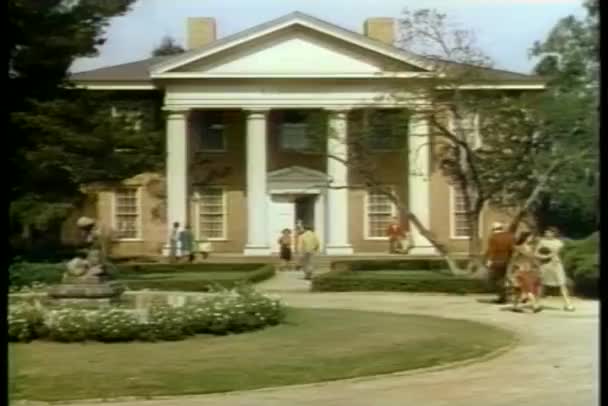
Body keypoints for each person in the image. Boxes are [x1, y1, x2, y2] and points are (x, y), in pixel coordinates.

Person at [535, 227, 575, 311]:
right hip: (545, 265)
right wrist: (545, 256)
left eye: (548, 232)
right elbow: (536, 254)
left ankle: (568, 304)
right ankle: (537, 304)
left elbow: (564, 254)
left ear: (553, 233)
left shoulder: (559, 243)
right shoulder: (542, 242)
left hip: (556, 265)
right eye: (546, 232)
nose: (546, 233)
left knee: (562, 284)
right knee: (542, 285)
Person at [508, 231, 542, 313]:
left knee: (519, 291)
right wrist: (510, 272)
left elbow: (534, 260)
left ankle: (515, 306)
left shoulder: (531, 248)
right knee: (528, 289)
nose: (531, 239)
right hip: (521, 271)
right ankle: (535, 306)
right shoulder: (518, 248)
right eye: (530, 237)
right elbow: (512, 260)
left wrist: (538, 267)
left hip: (530, 271)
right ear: (525, 238)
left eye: (531, 237)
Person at [484, 221, 515, 304]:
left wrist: (489, 261)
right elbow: (512, 249)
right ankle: (505, 296)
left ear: (493, 229)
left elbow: (492, 250)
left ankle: (503, 295)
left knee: (494, 279)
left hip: (496, 261)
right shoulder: (509, 236)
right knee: (503, 278)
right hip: (506, 260)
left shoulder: (493, 237)